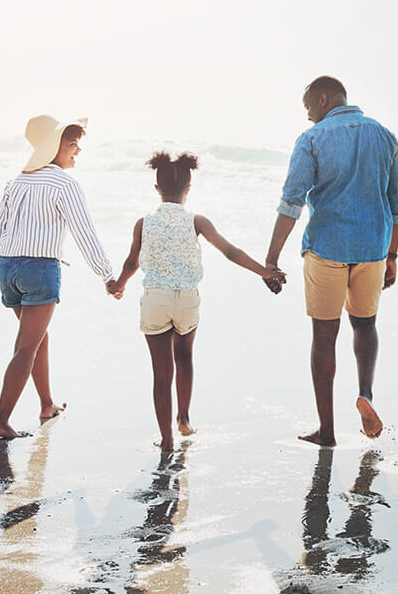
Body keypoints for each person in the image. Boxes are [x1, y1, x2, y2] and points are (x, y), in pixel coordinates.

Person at [264, 76, 398, 446]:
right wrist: (391, 255)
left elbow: (291, 202)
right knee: (365, 324)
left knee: (324, 337)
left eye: (310, 107)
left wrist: (271, 258)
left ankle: (326, 432)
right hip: (373, 249)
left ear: (324, 98)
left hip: (326, 249)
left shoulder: (312, 139)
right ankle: (366, 395)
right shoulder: (385, 136)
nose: (309, 116)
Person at [111, 151, 282, 451]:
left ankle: (166, 440)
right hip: (187, 300)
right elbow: (230, 252)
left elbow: (131, 263)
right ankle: (184, 419)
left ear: (157, 189)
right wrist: (264, 272)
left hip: (155, 301)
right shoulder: (197, 221)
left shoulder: (143, 223)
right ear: (188, 190)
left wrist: (119, 285)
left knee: (161, 373)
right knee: (185, 357)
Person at [0, 115, 118, 439]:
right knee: (25, 348)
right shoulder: (65, 185)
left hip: (8, 270)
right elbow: (85, 234)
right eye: (72, 144)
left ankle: (47, 404)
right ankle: (0, 421)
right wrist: (107, 275)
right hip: (39, 270)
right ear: (54, 147)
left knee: (36, 338)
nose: (78, 150)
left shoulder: (15, 182)